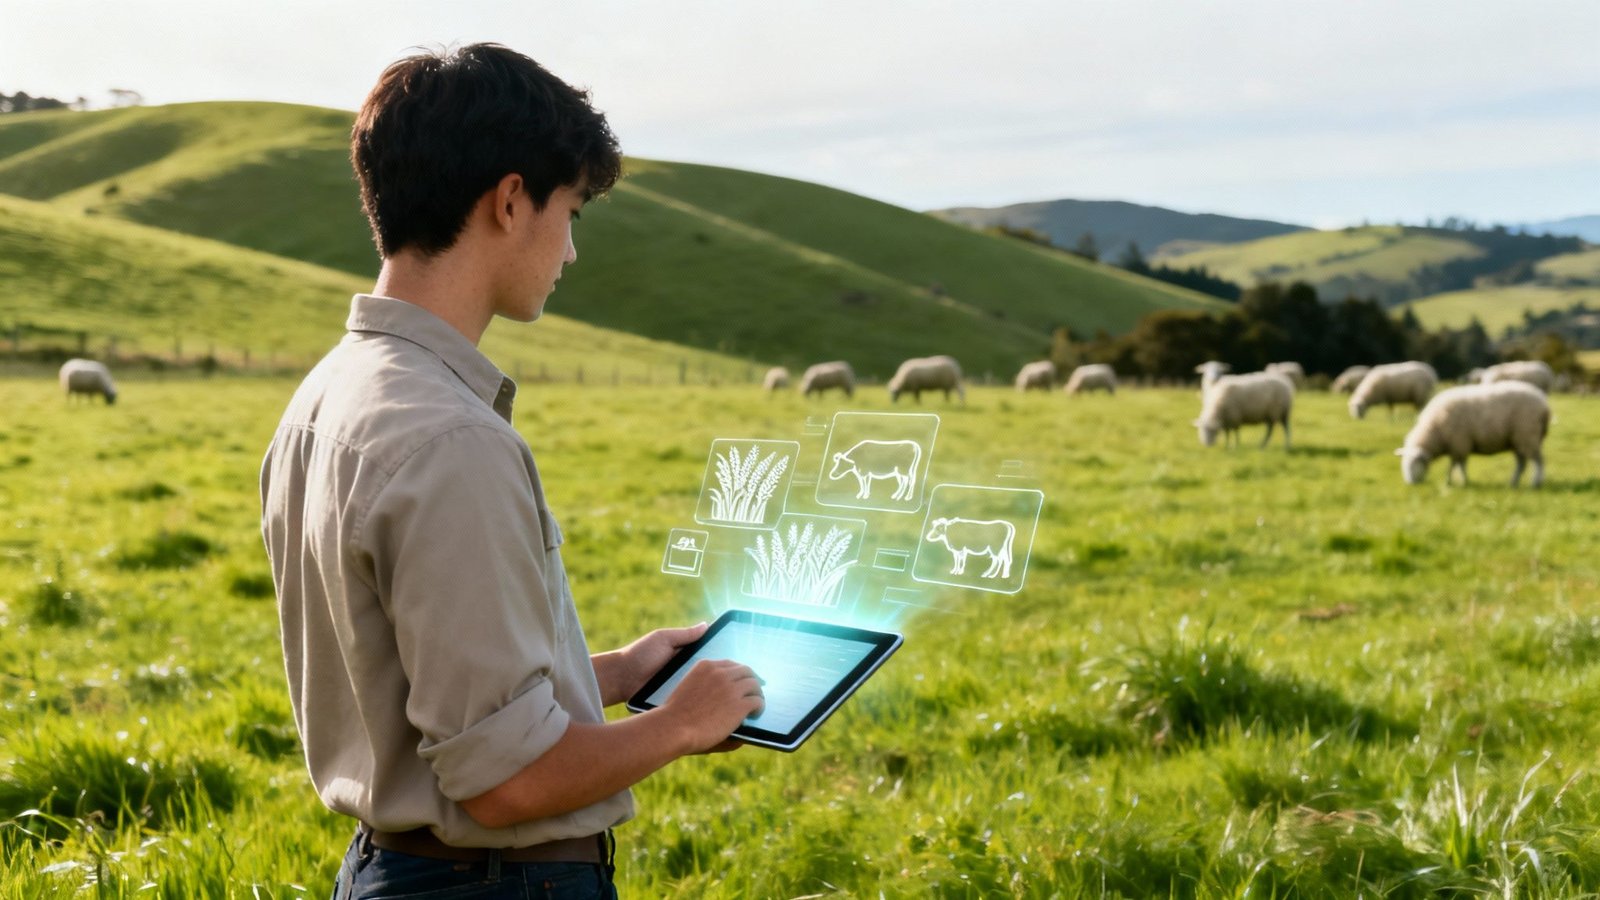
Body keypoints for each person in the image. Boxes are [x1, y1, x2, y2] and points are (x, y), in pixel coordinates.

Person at [259, 43, 765, 899]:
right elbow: (508, 783)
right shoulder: (449, 439)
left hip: (390, 867)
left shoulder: (328, 394)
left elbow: (426, 685)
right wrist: (682, 724)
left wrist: (613, 673)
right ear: (509, 200)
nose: (568, 252)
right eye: (570, 212)